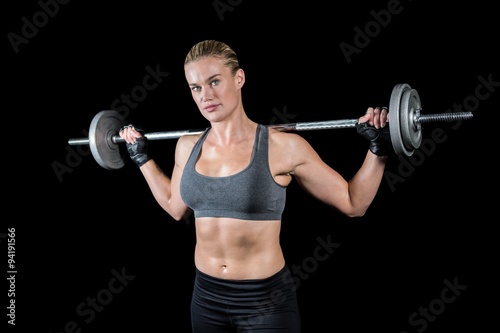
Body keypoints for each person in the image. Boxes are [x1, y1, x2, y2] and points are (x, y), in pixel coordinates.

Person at [118, 39, 391, 333]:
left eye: (214, 82)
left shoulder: (283, 147)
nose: (205, 95)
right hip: (206, 296)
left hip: (265, 301)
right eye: (196, 87)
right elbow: (175, 208)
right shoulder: (187, 147)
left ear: (239, 78)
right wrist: (141, 158)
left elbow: (354, 203)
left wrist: (378, 149)